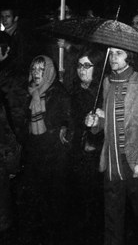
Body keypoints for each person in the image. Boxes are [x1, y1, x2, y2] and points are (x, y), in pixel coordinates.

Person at [86, 47, 138, 245]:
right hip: (111, 159)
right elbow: (106, 123)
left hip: (134, 158)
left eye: (118, 53)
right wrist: (95, 124)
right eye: (111, 54)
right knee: (112, 215)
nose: (112, 58)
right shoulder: (107, 81)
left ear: (130, 56)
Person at [21, 56, 72, 242]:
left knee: (54, 199)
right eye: (33, 68)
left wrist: (64, 128)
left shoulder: (58, 93)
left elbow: (67, 119)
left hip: (54, 154)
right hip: (35, 151)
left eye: (41, 69)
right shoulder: (29, 91)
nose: (35, 73)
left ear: (49, 71)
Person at [69, 47, 105, 230]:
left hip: (94, 152)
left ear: (96, 68)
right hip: (77, 148)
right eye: (79, 65)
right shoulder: (75, 89)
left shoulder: (103, 91)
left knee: (93, 197)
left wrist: (98, 121)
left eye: (86, 65)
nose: (81, 69)